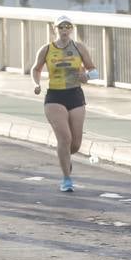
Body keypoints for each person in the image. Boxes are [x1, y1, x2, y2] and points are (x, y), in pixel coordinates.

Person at [31, 15, 98, 192]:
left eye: (68, 27)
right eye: (61, 27)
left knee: (75, 144)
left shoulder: (79, 47)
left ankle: (65, 158)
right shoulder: (46, 49)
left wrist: (87, 76)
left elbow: (94, 70)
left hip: (75, 95)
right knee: (64, 138)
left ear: (71, 29)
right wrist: (36, 84)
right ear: (55, 29)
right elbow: (36, 69)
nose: (64, 30)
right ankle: (66, 178)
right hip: (54, 97)